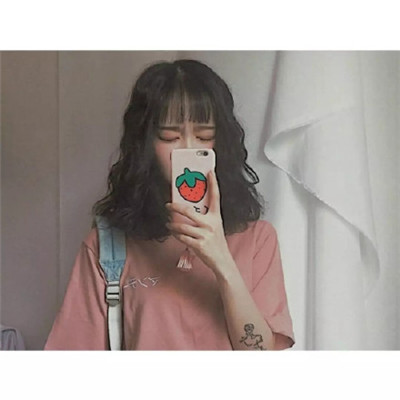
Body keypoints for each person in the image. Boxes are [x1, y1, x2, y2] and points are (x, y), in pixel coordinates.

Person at [44, 59, 295, 350]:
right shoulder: (108, 245)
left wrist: (222, 261)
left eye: (204, 136)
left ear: (221, 143)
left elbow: (260, 353)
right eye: (170, 137)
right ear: (145, 144)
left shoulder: (258, 239)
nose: (187, 149)